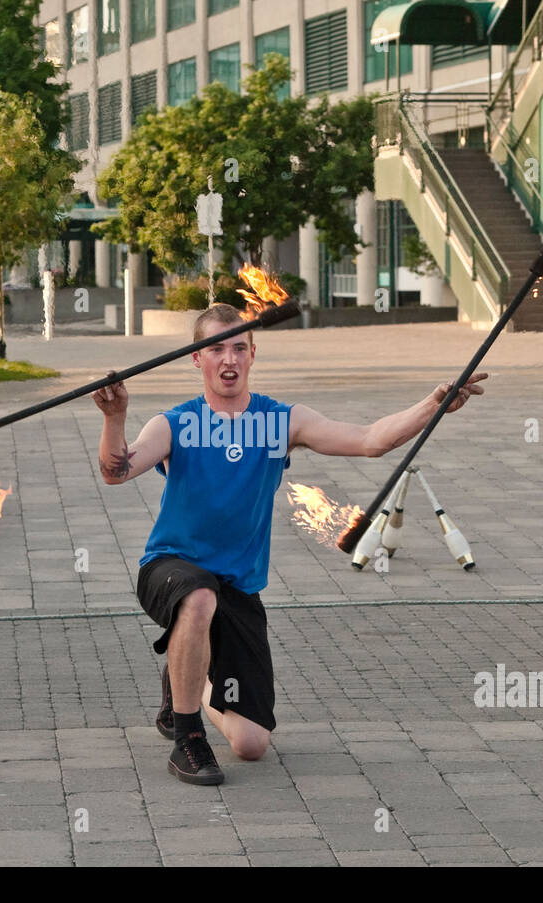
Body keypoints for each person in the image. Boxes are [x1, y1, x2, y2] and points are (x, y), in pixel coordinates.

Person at [93, 303, 485, 785]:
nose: (229, 358)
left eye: (239, 347)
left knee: (251, 744)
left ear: (253, 354)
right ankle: (187, 738)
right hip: (170, 569)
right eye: (216, 348)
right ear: (197, 359)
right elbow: (116, 472)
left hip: (237, 587)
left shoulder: (281, 421)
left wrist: (433, 405)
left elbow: (370, 440)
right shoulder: (173, 424)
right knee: (198, 596)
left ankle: (185, 682)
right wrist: (115, 416)